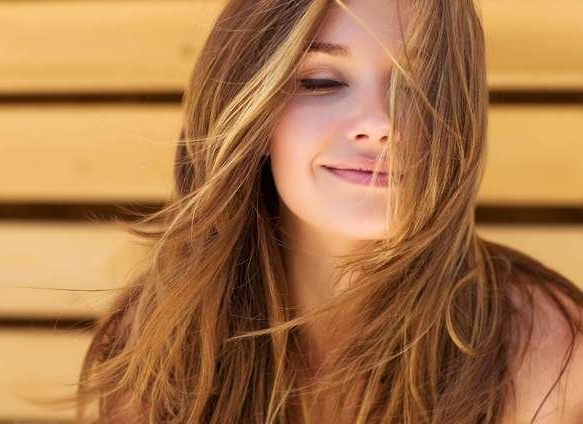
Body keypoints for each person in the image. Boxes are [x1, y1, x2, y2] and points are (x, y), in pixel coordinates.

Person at [59, 0, 583, 422]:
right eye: (321, 81)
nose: (379, 123)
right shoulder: (157, 345)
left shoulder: (548, 350)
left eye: (420, 86)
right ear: (251, 111)